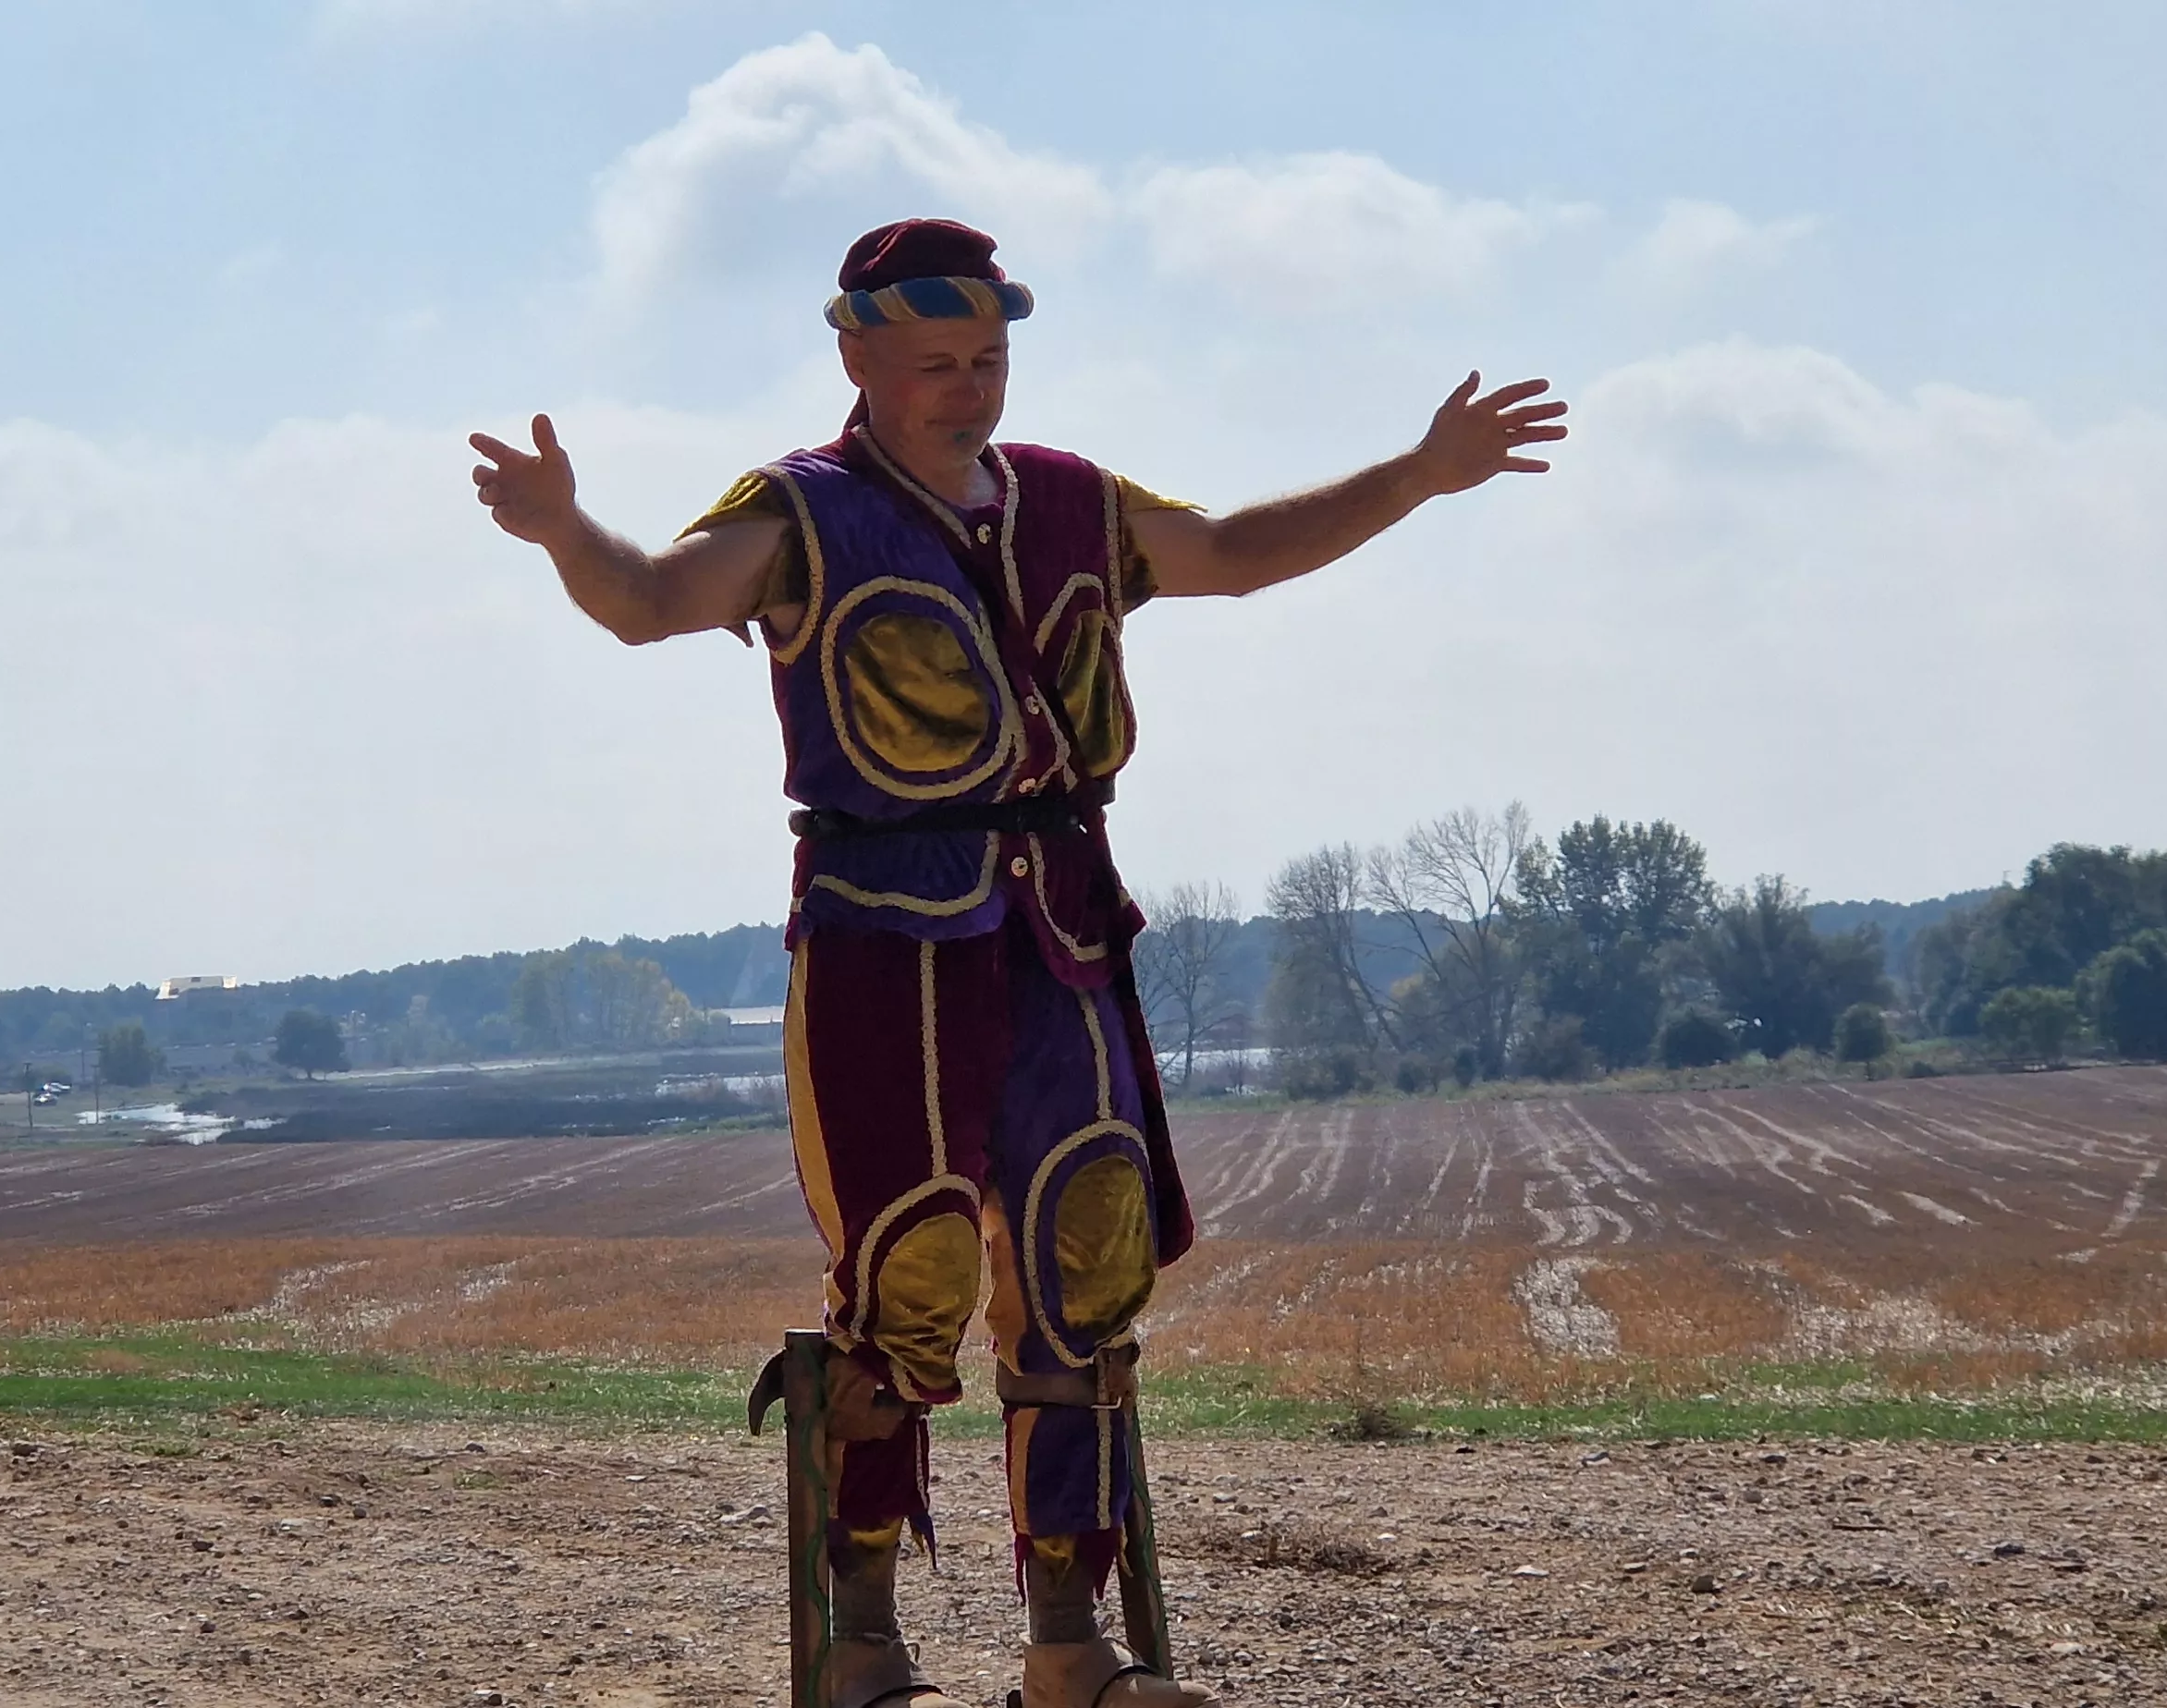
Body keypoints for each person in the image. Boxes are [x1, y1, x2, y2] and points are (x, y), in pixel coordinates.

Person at [471, 217, 1564, 1708]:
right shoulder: (803, 515)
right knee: (909, 1270)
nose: (968, 389)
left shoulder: (1069, 501)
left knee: (1085, 1254)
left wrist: (1415, 476)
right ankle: (863, 1637)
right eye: (934, 363)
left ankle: (1070, 1648)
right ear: (856, 355)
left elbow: (1236, 554)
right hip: (886, 935)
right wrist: (561, 530)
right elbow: (653, 602)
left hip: (1061, 914)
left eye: (987, 359)